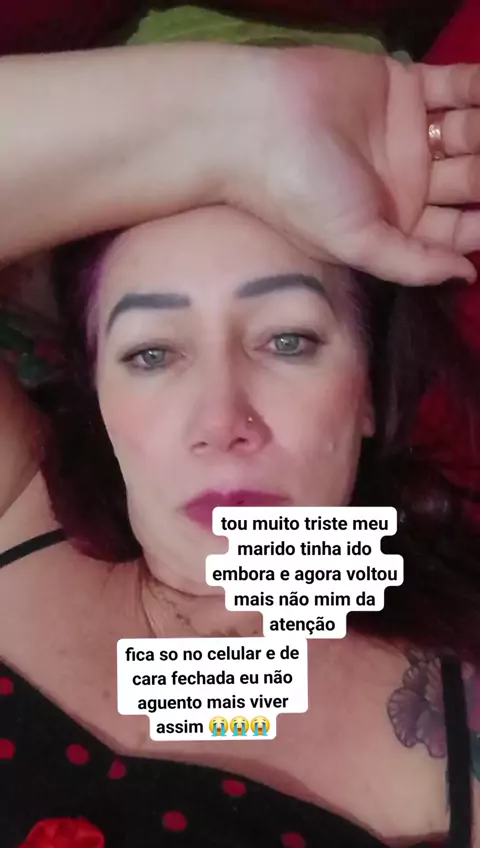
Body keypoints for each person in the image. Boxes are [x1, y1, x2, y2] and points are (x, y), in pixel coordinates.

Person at [1, 42, 480, 848]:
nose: (222, 419)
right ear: (100, 398)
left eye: (287, 341)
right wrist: (238, 118)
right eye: (152, 353)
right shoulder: (17, 509)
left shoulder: (454, 731)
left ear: (369, 392)